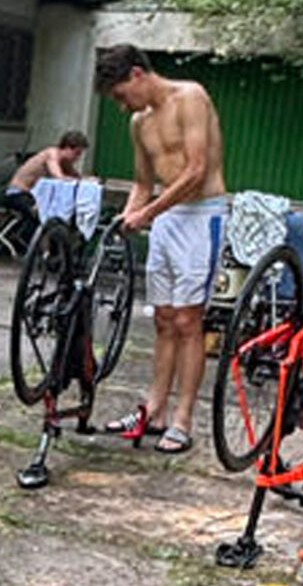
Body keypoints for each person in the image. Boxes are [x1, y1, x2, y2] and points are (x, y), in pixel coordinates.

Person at [94, 46, 225, 457]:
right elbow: (142, 181)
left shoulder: (191, 97)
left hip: (202, 215)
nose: (120, 105)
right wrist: (129, 217)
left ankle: (183, 419)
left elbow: (196, 170)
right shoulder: (139, 123)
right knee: (165, 319)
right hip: (166, 218)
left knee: (189, 319)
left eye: (120, 94)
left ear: (137, 74)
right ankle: (154, 411)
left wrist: (147, 213)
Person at [0, 129, 88, 233]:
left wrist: (92, 181)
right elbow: (58, 176)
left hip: (33, 196)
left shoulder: (65, 162)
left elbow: (77, 177)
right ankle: (28, 246)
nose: (77, 158)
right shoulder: (51, 154)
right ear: (67, 147)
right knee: (39, 213)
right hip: (18, 193)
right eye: (76, 154)